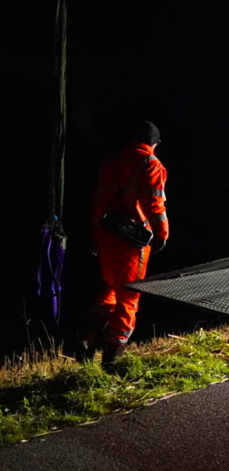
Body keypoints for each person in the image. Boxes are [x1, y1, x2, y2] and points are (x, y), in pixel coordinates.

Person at [79, 120, 169, 367]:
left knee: (111, 287)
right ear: (153, 143)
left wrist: (95, 235)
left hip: (105, 237)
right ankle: (112, 357)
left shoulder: (109, 163)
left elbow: (97, 201)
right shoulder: (150, 163)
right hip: (132, 240)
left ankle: (87, 337)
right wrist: (161, 234)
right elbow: (154, 204)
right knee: (130, 295)